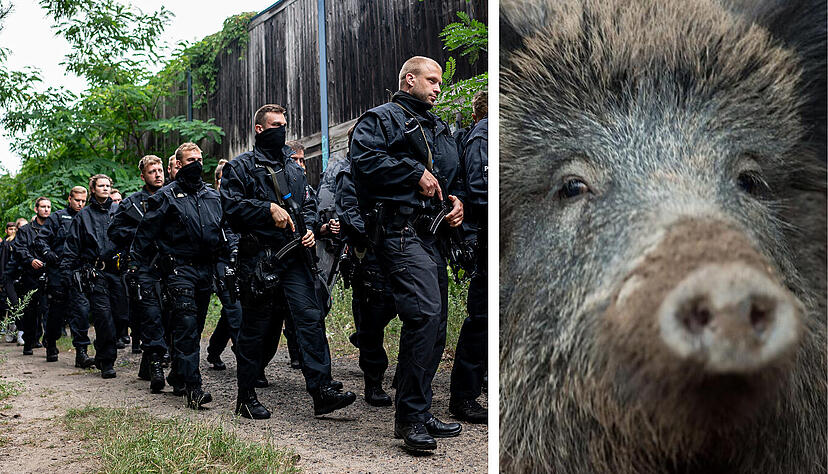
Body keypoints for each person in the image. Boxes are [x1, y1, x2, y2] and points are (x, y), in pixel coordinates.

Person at [350, 56, 465, 451]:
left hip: (433, 234)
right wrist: (412, 172)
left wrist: (458, 201)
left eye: (439, 82)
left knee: (436, 324)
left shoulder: (439, 127)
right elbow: (362, 161)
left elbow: (455, 174)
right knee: (425, 314)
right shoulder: (379, 119)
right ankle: (410, 418)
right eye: (431, 81)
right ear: (409, 79)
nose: (438, 87)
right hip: (397, 232)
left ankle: (422, 408)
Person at [221, 103, 356, 419]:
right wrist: (266, 209)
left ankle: (322, 391)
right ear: (259, 129)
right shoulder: (239, 168)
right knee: (258, 331)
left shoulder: (294, 169)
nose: (281, 130)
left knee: (310, 319)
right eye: (275, 125)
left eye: (284, 124)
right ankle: (246, 396)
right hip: (260, 259)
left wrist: (310, 228)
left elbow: (307, 206)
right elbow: (230, 208)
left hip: (295, 256)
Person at [130, 143, 229, 408]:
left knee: (194, 328)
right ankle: (193, 388)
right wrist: (140, 271)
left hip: (205, 270)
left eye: (199, 159)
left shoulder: (212, 196)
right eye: (190, 160)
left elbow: (222, 231)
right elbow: (144, 237)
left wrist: (225, 263)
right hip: (177, 270)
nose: (196, 163)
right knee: (185, 325)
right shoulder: (165, 197)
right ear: (179, 164)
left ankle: (177, 374)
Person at [335, 126, 396, 408]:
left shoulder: (384, 167)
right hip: (367, 255)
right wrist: (374, 238)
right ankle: (374, 382)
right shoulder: (349, 173)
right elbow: (349, 213)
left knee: (402, 308)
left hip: (395, 250)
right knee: (371, 320)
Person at [108, 154, 167, 390]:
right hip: (144, 267)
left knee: (170, 317)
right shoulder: (131, 203)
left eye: (160, 170)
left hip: (170, 265)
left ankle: (148, 363)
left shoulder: (172, 197)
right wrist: (140, 234)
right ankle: (155, 365)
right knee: (150, 317)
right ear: (143, 176)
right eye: (152, 172)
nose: (158, 175)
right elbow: (114, 232)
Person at [448, 90, 488, 424]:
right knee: (482, 319)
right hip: (489, 237)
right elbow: (480, 189)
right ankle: (463, 397)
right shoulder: (483, 136)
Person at [61, 174, 120, 378]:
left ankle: (107, 351)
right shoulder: (83, 216)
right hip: (96, 273)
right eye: (101, 185)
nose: (105, 188)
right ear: (93, 189)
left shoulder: (118, 211)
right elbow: (72, 247)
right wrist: (67, 275)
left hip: (119, 272)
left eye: (107, 185)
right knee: (103, 318)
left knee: (120, 317)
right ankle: (106, 361)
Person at [33, 186, 95, 366]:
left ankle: (81, 353)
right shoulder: (57, 217)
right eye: (77, 200)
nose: (81, 204)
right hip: (58, 273)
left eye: (84, 201)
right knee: (56, 314)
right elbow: (40, 241)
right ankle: (51, 343)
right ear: (70, 198)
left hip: (79, 272)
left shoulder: (88, 217)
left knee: (81, 311)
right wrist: (50, 256)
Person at [205, 159, 243, 372]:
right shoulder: (211, 203)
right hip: (220, 262)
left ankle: (214, 349)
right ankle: (246, 362)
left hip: (242, 261)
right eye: (221, 180)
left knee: (232, 312)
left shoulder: (241, 201)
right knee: (235, 310)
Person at [13, 197, 52, 355]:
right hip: (30, 276)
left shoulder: (53, 227)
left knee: (48, 309)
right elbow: (19, 248)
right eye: (43, 206)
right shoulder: (25, 230)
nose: (46, 209)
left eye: (49, 207)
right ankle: (29, 342)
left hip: (49, 274)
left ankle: (49, 342)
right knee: (30, 310)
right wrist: (30, 260)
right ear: (36, 209)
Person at [1, 222, 20, 344]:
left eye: (15, 229)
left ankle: (18, 331)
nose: (12, 231)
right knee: (10, 305)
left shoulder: (18, 243)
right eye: (10, 229)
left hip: (20, 277)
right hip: (8, 277)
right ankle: (10, 329)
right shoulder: (5, 245)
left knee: (18, 304)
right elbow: (2, 263)